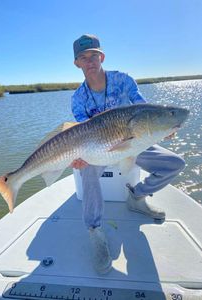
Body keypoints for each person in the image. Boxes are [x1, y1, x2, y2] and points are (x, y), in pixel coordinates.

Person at [71, 34, 185, 274]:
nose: (90, 61)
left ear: (101, 57)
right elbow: (82, 132)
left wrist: (163, 125)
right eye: (83, 57)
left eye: (93, 55)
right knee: (87, 170)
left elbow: (145, 110)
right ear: (77, 63)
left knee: (174, 163)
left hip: (136, 141)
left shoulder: (124, 81)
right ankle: (94, 230)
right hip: (98, 150)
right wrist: (81, 156)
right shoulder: (78, 99)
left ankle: (137, 196)